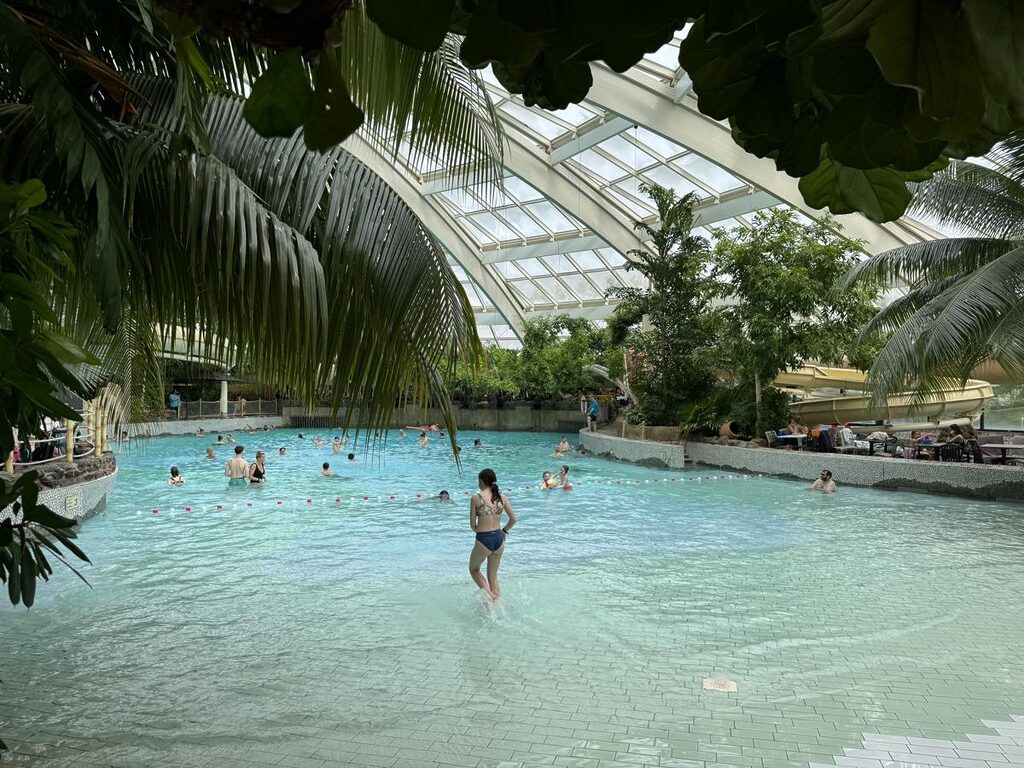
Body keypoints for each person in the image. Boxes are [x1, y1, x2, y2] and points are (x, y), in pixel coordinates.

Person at [469, 468, 517, 600]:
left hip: (484, 539)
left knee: (474, 570)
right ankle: (498, 606)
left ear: (482, 481)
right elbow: (513, 519)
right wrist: (504, 531)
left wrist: (481, 529)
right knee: (493, 576)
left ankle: (489, 597)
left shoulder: (476, 498)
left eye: (478, 481)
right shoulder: (502, 498)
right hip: (499, 539)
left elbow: (473, 526)